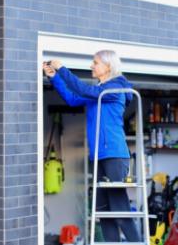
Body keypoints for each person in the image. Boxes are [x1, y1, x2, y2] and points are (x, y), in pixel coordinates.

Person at [42, 50, 141, 242]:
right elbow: (72, 99)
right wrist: (55, 77)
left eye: (95, 63)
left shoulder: (115, 89)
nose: (91, 66)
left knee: (119, 207)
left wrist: (62, 68)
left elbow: (85, 90)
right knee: (103, 208)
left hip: (114, 154)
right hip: (98, 155)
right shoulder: (99, 93)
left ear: (108, 67)